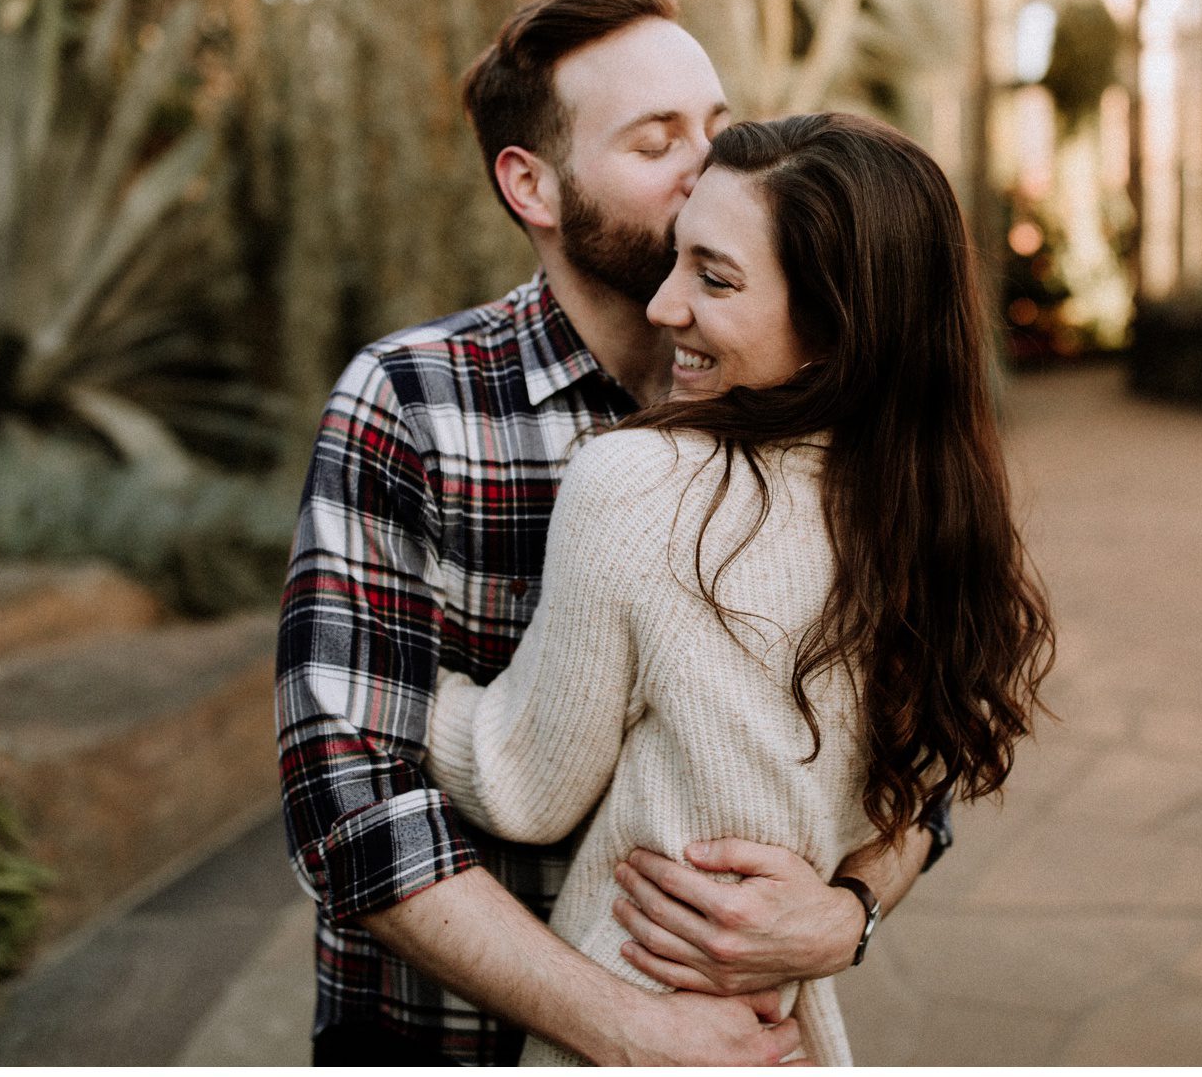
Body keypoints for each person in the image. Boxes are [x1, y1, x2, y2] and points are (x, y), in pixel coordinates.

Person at [276, 0, 953, 1067]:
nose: (709, 173)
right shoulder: (410, 402)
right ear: (532, 186)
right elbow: (347, 807)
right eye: (655, 143)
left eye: (716, 124)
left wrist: (848, 907)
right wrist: (629, 1027)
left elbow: (925, 744)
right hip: (445, 1042)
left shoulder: (826, 416)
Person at [419, 112, 1056, 1065]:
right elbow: (923, 793)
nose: (665, 306)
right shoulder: (931, 514)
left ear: (841, 325)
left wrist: (410, 697)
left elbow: (526, 787)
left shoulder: (640, 484)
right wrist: (853, 910)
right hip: (781, 1038)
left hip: (645, 1020)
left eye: (714, 279)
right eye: (679, 260)